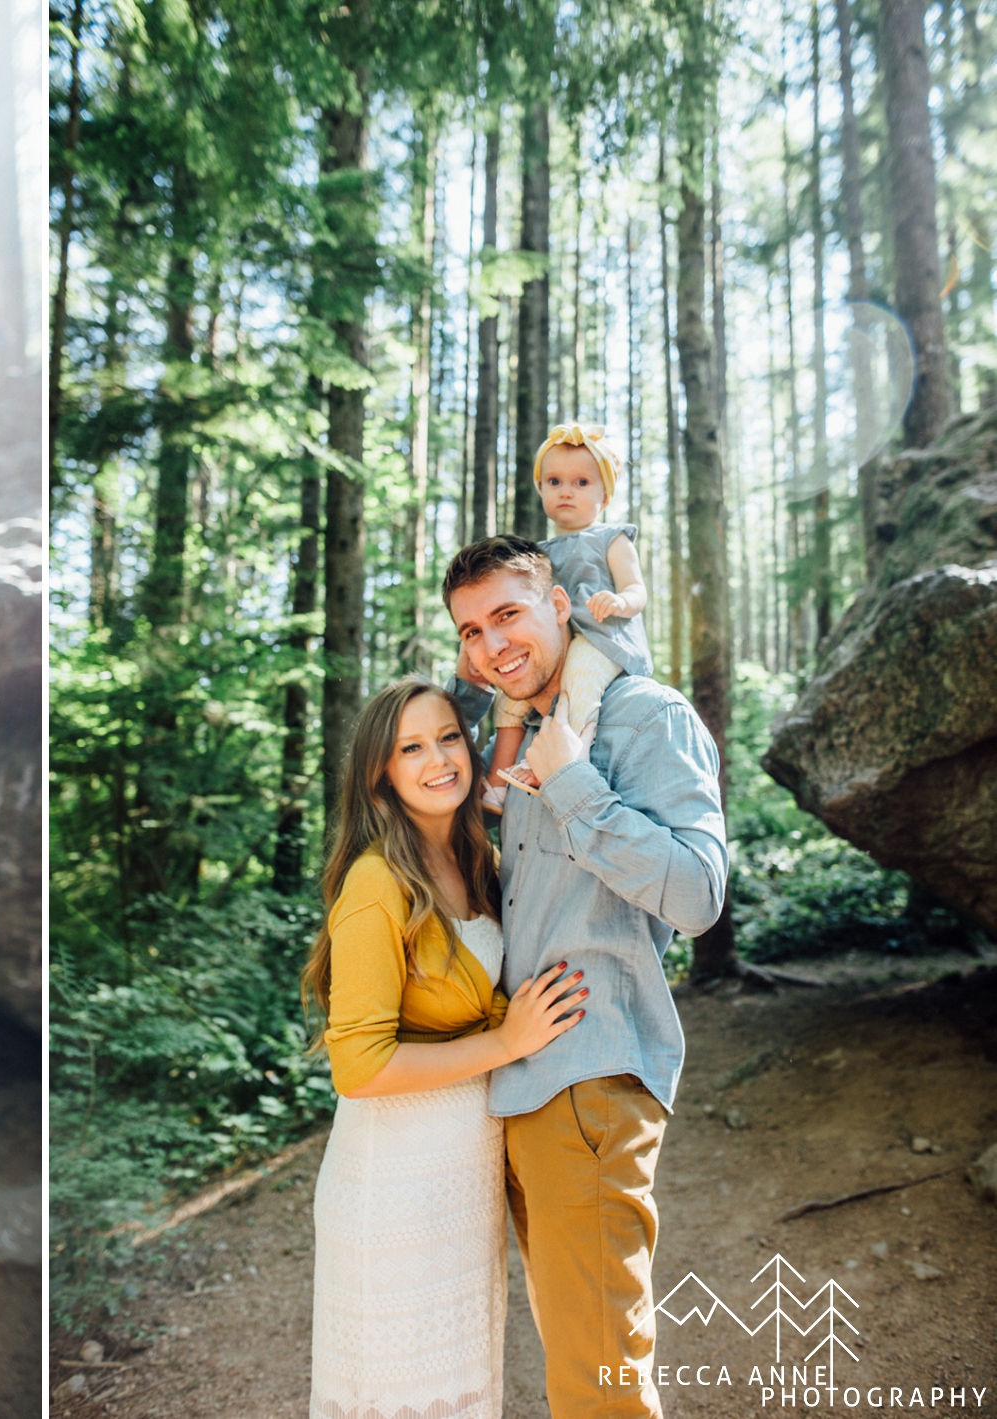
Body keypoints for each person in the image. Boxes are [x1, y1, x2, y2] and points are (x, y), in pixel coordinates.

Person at [444, 536, 729, 1419]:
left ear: (561, 605)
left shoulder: (645, 715)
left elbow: (696, 893)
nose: (491, 644)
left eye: (507, 614)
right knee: (579, 1355)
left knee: (598, 1379)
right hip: (527, 1088)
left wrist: (574, 786)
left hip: (593, 1079)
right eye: (469, 630)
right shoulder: (525, 736)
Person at [304, 676, 588, 1419]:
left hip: (463, 1176)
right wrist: (506, 1040)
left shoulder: (477, 864)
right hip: (390, 1181)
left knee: (461, 1393)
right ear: (380, 774)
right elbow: (358, 1067)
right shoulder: (375, 883)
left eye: (447, 737)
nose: (438, 758)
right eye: (410, 747)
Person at [477, 423, 652, 813]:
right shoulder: (535, 552)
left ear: (604, 495)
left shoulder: (612, 539)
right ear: (540, 488)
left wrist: (620, 602)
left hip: (601, 639)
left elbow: (637, 589)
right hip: (558, 643)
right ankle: (499, 781)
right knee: (510, 701)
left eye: (581, 482)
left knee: (579, 684)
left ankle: (568, 758)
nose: (566, 491)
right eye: (554, 481)